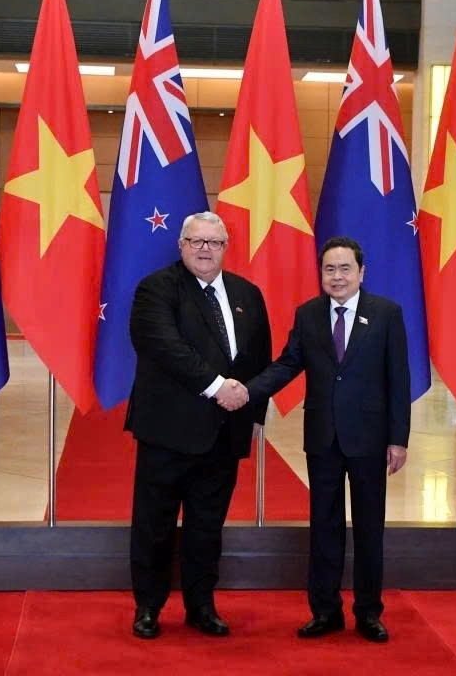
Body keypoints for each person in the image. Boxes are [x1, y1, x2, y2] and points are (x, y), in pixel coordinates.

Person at [240, 236, 409, 643]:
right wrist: (247, 390)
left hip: (369, 440)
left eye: (344, 268)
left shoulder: (386, 314)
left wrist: (398, 438)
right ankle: (325, 611)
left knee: (370, 528)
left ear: (361, 272)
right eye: (329, 269)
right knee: (324, 526)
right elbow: (287, 365)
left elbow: (398, 380)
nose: (336, 276)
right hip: (322, 438)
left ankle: (368, 612)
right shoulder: (309, 314)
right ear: (321, 274)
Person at [124, 211, 272, 640]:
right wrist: (216, 387)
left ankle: (201, 605)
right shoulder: (156, 288)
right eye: (196, 241)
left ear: (226, 248)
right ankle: (148, 607)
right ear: (181, 246)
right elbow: (165, 347)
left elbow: (259, 356)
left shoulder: (248, 292)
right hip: (168, 431)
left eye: (214, 242)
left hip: (225, 432)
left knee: (208, 525)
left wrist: (253, 414)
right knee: (155, 523)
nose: (205, 249)